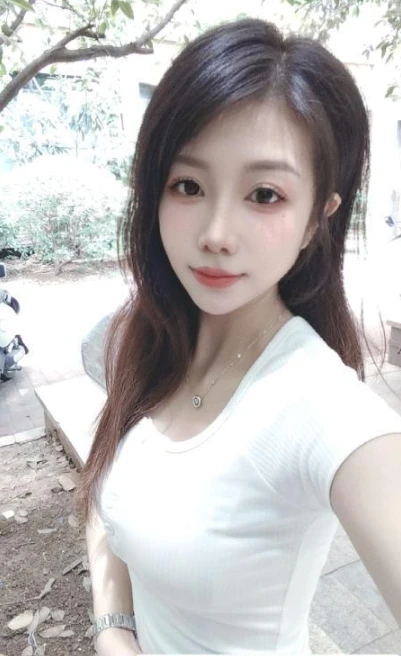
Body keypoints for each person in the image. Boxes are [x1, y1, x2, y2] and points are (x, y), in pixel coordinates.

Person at [75, 18, 401, 655]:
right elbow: (107, 499)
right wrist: (114, 630)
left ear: (318, 219)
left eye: (265, 194)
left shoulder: (325, 408)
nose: (216, 233)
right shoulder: (147, 337)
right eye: (188, 186)